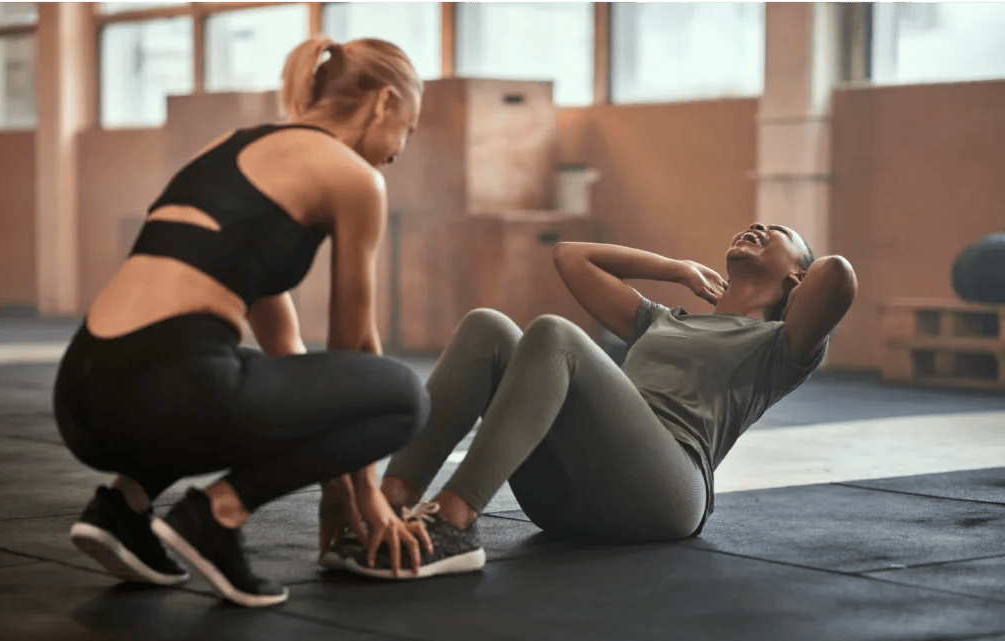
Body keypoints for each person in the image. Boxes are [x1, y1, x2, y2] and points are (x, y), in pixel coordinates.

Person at [55, 36, 435, 608]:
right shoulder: (355, 180)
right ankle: (217, 516)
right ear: (384, 103)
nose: (400, 150)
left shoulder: (234, 148)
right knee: (404, 396)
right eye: (408, 128)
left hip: (82, 396)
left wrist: (334, 466)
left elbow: (285, 347)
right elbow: (357, 346)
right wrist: (365, 498)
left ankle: (122, 508)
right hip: (166, 388)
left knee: (241, 376)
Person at [320, 224, 857, 579]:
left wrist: (804, 280)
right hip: (568, 495)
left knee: (555, 334)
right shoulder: (663, 320)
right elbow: (570, 257)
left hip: (664, 495)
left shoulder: (780, 350)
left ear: (796, 277)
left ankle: (455, 524)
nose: (758, 227)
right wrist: (676, 269)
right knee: (487, 327)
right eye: (755, 223)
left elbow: (838, 276)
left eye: (777, 231)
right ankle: (386, 508)